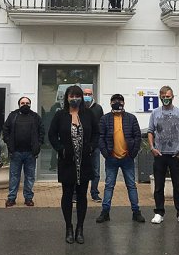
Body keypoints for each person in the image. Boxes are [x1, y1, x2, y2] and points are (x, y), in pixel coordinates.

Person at [48, 85, 100, 244]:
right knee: (67, 195)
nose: (75, 98)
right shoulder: (60, 115)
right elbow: (51, 134)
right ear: (67, 98)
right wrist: (60, 149)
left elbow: (97, 133)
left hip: (84, 161)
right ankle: (69, 228)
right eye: (72, 96)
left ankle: (80, 228)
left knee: (82, 196)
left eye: (78, 95)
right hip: (67, 162)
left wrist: (91, 146)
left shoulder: (88, 114)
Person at [96, 94, 145, 224]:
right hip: (111, 158)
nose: (117, 103)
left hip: (127, 158)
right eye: (114, 101)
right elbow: (100, 137)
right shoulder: (105, 119)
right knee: (109, 186)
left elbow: (137, 136)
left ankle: (136, 212)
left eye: (120, 101)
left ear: (124, 103)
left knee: (131, 186)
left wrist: (132, 153)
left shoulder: (131, 118)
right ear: (110, 103)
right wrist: (106, 153)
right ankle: (105, 212)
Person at [147, 85, 179, 225]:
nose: (166, 99)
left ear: (173, 97)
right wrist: (152, 147)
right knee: (158, 186)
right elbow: (150, 131)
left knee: (178, 185)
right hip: (159, 154)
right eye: (163, 97)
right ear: (160, 97)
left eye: (168, 96)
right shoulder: (155, 113)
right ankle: (159, 212)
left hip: (175, 155)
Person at [3, 96, 44, 207]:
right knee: (14, 176)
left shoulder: (35, 117)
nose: (25, 104)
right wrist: (9, 143)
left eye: (27, 103)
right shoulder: (13, 116)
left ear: (30, 104)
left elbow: (41, 131)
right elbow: (5, 130)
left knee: (30, 177)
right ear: (19, 104)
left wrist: (38, 145)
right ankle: (11, 198)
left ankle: (28, 198)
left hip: (30, 153)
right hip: (16, 153)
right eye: (22, 103)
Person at [84, 87, 104, 202]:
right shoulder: (79, 108)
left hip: (95, 145)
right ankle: (77, 194)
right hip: (82, 146)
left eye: (89, 94)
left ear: (93, 95)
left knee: (95, 171)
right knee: (81, 171)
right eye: (85, 94)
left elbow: (101, 126)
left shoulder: (98, 108)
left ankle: (94, 193)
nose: (87, 95)